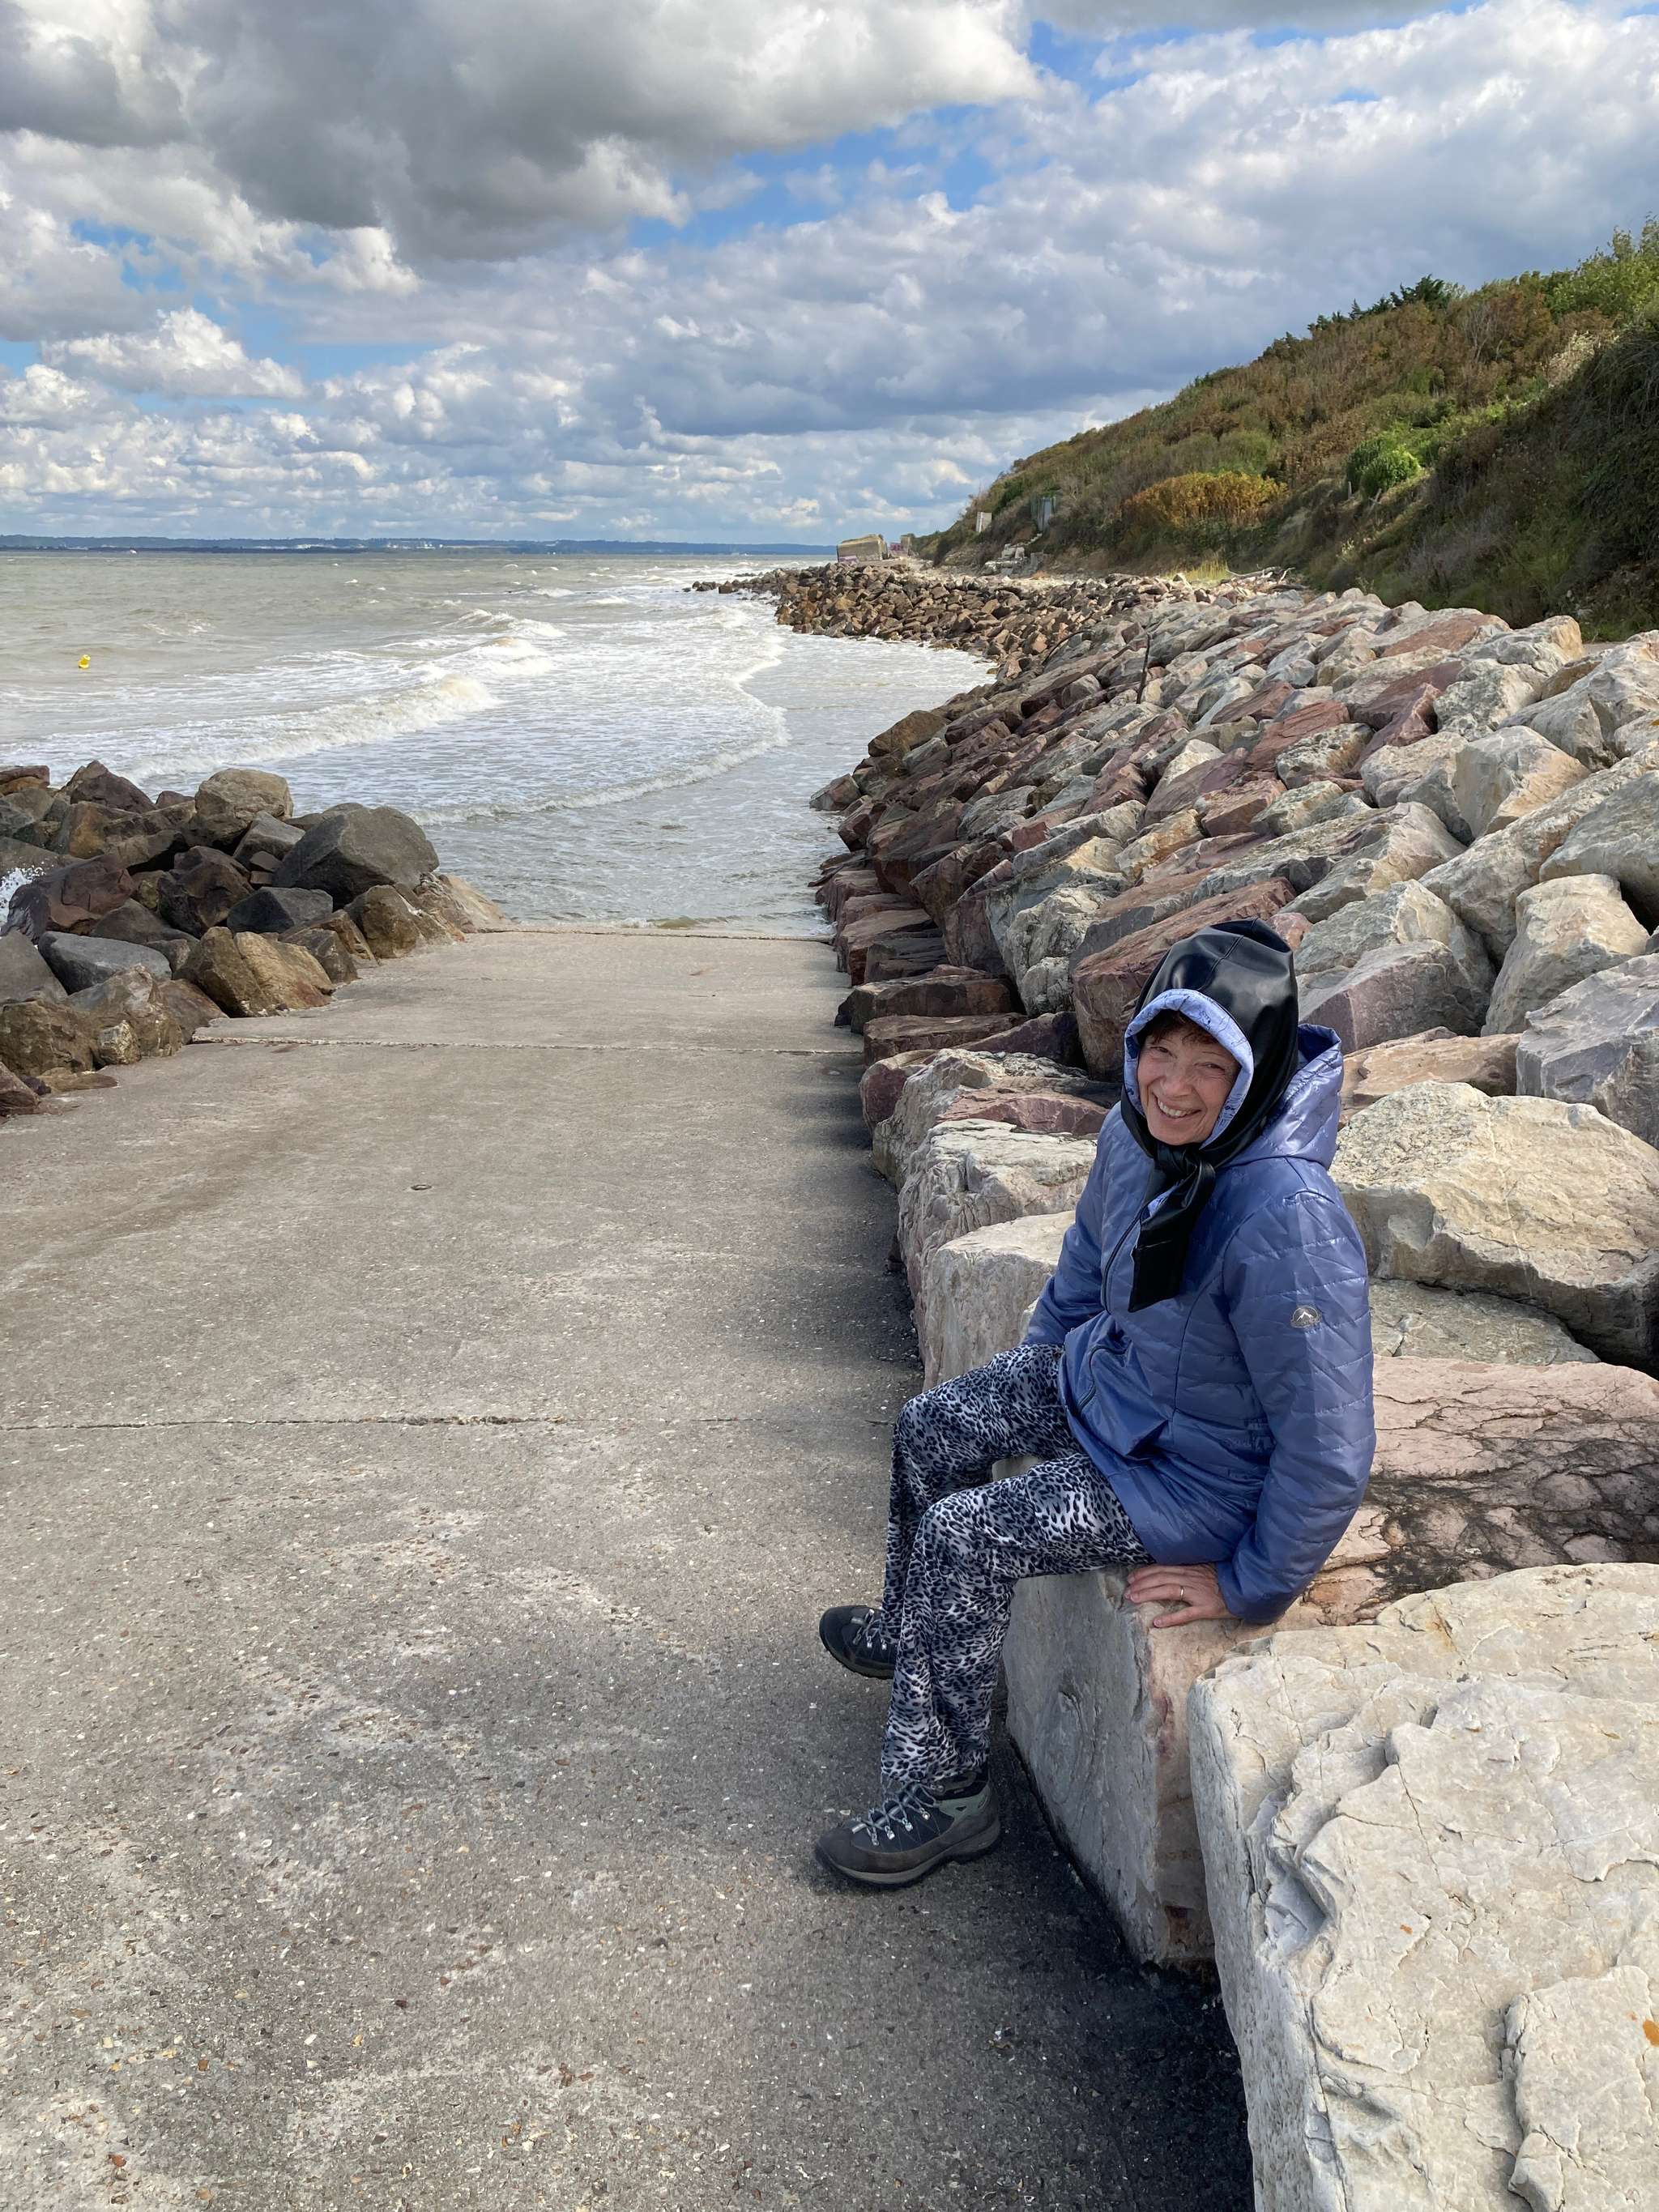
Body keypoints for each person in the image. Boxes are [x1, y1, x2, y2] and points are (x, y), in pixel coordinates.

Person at [814, 917, 1375, 1888]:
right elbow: (1083, 1263)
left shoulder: (1287, 1213)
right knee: (930, 1426)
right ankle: (917, 1636)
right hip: (1110, 1387)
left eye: (1209, 1065)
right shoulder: (1133, 1130)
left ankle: (948, 1795)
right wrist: (1036, 1374)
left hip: (1194, 1475)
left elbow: (1328, 1440)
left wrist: (1252, 1582)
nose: (1173, 1086)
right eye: (1161, 1051)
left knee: (962, 1537)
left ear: (1252, 1073)